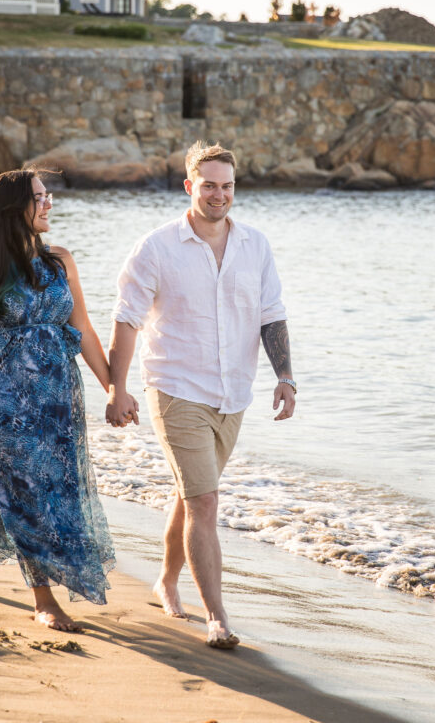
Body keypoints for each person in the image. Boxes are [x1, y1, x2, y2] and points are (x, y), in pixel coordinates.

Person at [106, 141, 296, 649]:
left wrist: (286, 376)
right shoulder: (157, 247)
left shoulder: (255, 245)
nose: (219, 194)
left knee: (191, 495)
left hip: (233, 394)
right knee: (206, 501)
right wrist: (116, 387)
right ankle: (218, 617)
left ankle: (167, 580)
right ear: (189, 186)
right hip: (175, 388)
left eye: (227, 186)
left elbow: (271, 313)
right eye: (209, 185)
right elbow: (126, 319)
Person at [0, 169, 116, 632]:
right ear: (15, 206)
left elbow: (84, 330)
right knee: (27, 490)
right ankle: (44, 600)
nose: (49, 203)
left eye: (48, 195)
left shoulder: (59, 260)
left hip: (57, 401)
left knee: (31, 489)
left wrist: (114, 387)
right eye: (40, 196)